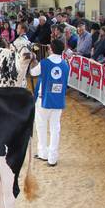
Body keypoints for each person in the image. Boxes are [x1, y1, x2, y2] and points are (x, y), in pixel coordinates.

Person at [29, 39, 69, 167]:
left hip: (43, 100)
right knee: (55, 128)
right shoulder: (65, 64)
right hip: (58, 100)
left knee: (41, 126)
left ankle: (43, 153)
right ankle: (52, 158)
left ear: (50, 49)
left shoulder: (44, 63)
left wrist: (34, 61)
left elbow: (32, 73)